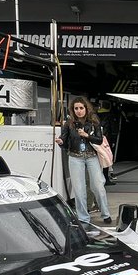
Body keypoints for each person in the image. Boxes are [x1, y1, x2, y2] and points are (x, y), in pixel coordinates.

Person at [56, 96, 111, 226]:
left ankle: (105, 213)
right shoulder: (68, 124)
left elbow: (99, 140)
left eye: (81, 108)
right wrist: (61, 142)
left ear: (86, 108)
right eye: (76, 108)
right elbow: (64, 141)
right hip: (75, 157)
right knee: (79, 189)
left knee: (98, 186)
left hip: (92, 156)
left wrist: (87, 136)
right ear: (72, 110)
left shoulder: (93, 122)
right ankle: (83, 217)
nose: (79, 111)